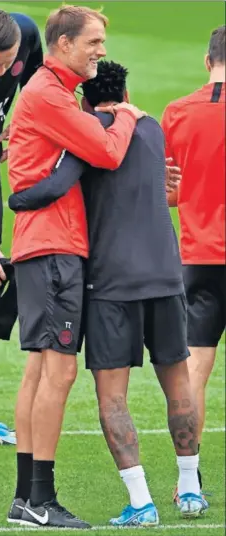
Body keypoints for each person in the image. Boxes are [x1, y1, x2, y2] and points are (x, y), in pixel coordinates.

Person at [9, 60, 208, 526]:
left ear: (82, 100)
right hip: (164, 274)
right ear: (125, 91)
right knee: (178, 382)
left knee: (112, 396)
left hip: (110, 280)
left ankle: (142, 503)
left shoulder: (88, 135)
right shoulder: (152, 128)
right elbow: (156, 190)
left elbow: (62, 183)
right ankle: (191, 489)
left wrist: (18, 197)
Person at [7, 6, 145, 529]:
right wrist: (127, 115)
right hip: (54, 248)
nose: (101, 49)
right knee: (58, 371)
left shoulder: (52, 93)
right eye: (94, 41)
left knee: (41, 371)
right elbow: (107, 153)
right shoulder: (48, 95)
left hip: (44, 246)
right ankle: (38, 498)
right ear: (63, 44)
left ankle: (28, 499)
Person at [161, 25, 225, 500]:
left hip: (199, 257)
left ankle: (188, 487)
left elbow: (170, 190)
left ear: (208, 60)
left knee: (193, 373)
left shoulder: (177, 112)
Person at [0, 9, 43, 429]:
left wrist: (16, 122)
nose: (2, 71)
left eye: (8, 63)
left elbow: (40, 86)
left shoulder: (26, 33)